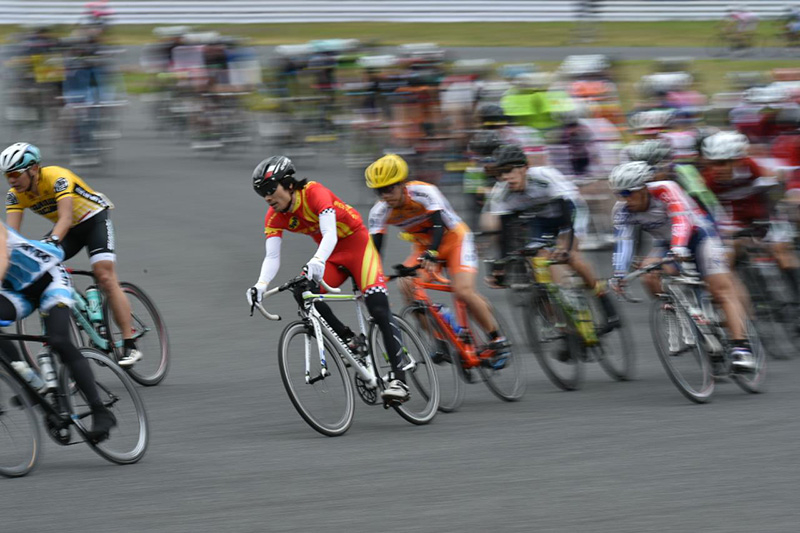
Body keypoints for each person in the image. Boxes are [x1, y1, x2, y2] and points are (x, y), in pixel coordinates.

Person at [246, 156, 410, 402]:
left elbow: (330, 234)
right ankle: (349, 340)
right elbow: (272, 257)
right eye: (262, 194)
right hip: (332, 255)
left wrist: (318, 261)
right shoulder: (274, 216)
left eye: (271, 190)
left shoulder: (314, 192)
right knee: (303, 290)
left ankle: (400, 381)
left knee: (377, 307)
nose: (268, 197)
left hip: (358, 247)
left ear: (289, 184)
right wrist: (260, 286)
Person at [1, 142, 141, 367]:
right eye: (8, 175)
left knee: (104, 276)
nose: (12, 180)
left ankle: (129, 342)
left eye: (16, 173)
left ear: (34, 169)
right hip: (70, 232)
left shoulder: (58, 177)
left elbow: (66, 218)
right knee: (42, 266)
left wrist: (53, 242)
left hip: (93, 221)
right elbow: (10, 237)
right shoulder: (14, 196)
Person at [608, 161, 756, 372]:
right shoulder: (622, 210)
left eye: (628, 193)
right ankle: (677, 313)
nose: (625, 199)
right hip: (667, 243)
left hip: (699, 236)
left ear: (644, 187)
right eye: (619, 194)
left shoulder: (665, 189)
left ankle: (742, 349)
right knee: (648, 273)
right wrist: (619, 273)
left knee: (720, 289)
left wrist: (678, 249)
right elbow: (624, 241)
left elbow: (681, 220)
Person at [364, 154, 509, 364]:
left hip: (454, 239)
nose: (385, 195)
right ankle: (440, 339)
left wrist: (432, 253)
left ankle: (498, 339)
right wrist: (370, 276)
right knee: (407, 285)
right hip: (424, 245)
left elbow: (439, 225)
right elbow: (375, 249)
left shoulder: (423, 192)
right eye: (379, 191)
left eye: (389, 189)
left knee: (463, 291)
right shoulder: (379, 211)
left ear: (403, 185)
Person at [0, 219, 116, 441]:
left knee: (58, 340)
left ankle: (100, 411)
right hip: (17, 292)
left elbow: (2, 259)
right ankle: (30, 383)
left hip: (49, 280)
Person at [483, 144, 618, 326]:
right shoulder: (502, 193)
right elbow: (505, 233)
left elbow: (567, 216)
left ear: (524, 168)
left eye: (509, 170)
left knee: (570, 257)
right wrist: (501, 266)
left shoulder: (544, 178)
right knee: (536, 260)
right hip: (541, 219)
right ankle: (561, 326)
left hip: (569, 211)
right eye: (500, 173)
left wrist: (566, 247)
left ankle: (603, 299)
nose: (505, 177)